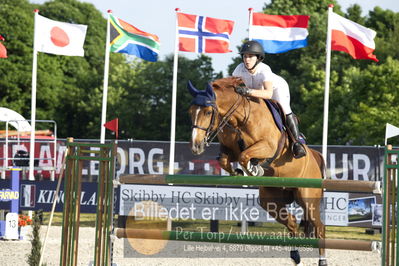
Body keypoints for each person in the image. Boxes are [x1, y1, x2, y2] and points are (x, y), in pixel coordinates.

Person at [232, 40, 306, 159]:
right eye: (245, 56)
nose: (247, 59)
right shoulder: (239, 69)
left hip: (276, 90)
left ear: (258, 58)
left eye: (250, 56)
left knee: (285, 109)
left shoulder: (264, 70)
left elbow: (268, 93)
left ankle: (297, 142)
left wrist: (247, 92)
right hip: (255, 92)